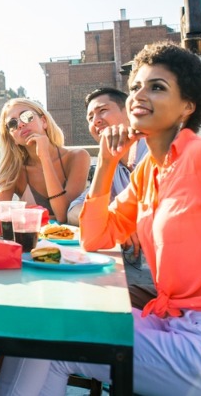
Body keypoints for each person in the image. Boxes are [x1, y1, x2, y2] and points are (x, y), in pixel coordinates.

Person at [0, 42, 201, 395]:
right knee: (40, 324)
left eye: (157, 87)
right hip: (174, 326)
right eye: (135, 87)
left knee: (51, 343)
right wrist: (108, 163)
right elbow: (96, 238)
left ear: (187, 107)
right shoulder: (151, 172)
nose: (139, 95)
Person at [66, 88, 154, 306]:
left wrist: (135, 222)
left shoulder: (155, 152)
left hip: (162, 276)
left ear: (129, 112)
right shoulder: (110, 164)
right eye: (90, 117)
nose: (96, 120)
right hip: (137, 269)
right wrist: (117, 219)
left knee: (87, 296)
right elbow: (74, 210)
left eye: (102, 111)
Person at [0, 99, 90, 220]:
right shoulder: (15, 170)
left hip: (72, 238)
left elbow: (64, 215)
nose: (21, 124)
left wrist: (45, 157)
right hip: (32, 238)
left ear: (44, 121)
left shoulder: (77, 157)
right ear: (12, 139)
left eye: (27, 116)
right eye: (12, 124)